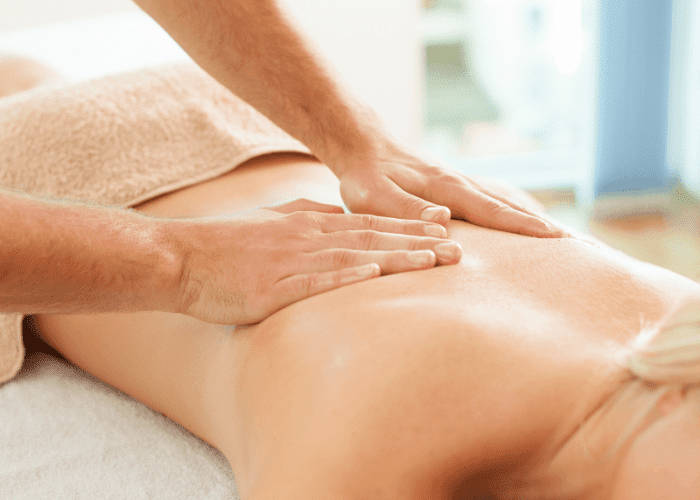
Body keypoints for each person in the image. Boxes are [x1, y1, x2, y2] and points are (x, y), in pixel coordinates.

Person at [12, 64, 700, 500]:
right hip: (53, 183)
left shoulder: (680, 323)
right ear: (679, 398)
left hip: (235, 112)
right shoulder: (403, 426)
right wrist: (181, 262)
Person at [0, 0, 568, 331]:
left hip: (213, 114)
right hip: (193, 108)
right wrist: (181, 263)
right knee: (25, 75)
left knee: (23, 75)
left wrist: (358, 141)